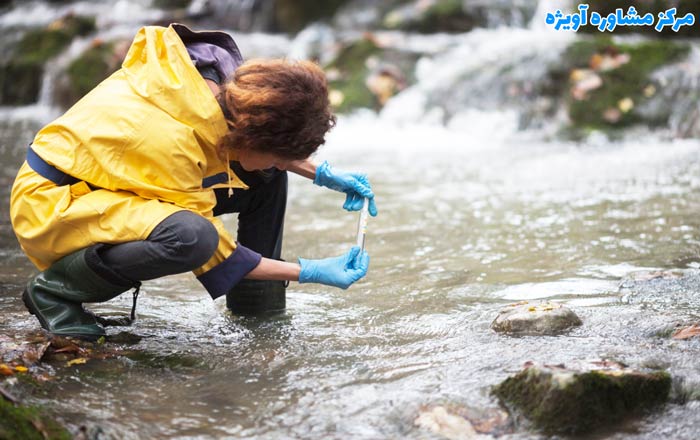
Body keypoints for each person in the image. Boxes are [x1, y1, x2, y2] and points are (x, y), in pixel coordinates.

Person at [9, 23, 378, 340]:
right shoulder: (173, 142)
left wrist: (323, 174)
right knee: (191, 237)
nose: (285, 163)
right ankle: (55, 293)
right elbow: (217, 253)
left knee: (267, 177)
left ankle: (257, 308)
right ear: (250, 137)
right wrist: (310, 271)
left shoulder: (223, 87)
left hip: (109, 180)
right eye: (279, 154)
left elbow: (259, 149)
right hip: (55, 202)